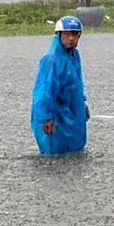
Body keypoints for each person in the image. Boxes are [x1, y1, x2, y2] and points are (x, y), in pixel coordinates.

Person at [31, 16, 90, 156]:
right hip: (55, 115)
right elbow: (44, 91)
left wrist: (82, 104)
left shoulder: (74, 55)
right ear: (59, 35)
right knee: (54, 154)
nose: (71, 38)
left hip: (72, 111)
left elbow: (76, 84)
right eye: (67, 34)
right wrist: (46, 117)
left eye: (75, 34)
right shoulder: (52, 60)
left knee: (74, 153)